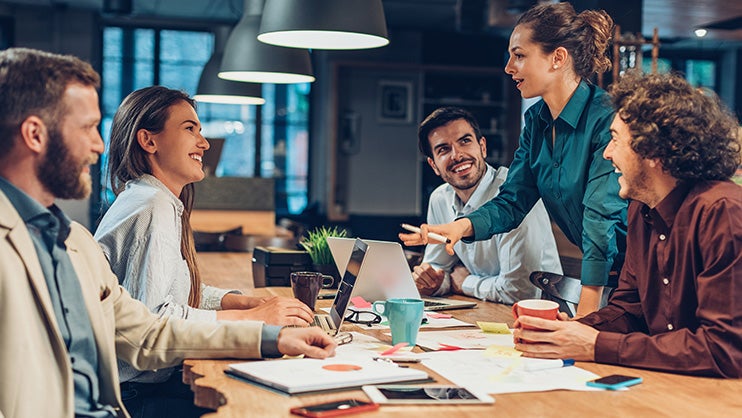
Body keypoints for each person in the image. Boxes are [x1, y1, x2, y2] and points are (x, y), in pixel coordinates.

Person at [0, 47, 336, 418]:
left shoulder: (72, 240)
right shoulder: (145, 206)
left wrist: (271, 337)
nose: (99, 145)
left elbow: (146, 333)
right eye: (87, 128)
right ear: (34, 134)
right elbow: (156, 317)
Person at [93, 86, 315, 415]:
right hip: (135, 396)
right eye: (189, 129)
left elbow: (174, 291)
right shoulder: (152, 205)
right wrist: (252, 319)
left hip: (140, 384)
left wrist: (242, 302)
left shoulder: (148, 197)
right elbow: (155, 319)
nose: (204, 143)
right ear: (149, 140)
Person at [400, 2, 627, 316]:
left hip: (642, 271)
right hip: (611, 279)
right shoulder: (536, 121)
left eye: (519, 56)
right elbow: (513, 200)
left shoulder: (606, 117)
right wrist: (461, 227)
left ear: (558, 58)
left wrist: (587, 316)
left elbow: (600, 218)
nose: (509, 67)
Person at [512, 71, 741, 378]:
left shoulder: (722, 212)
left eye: (616, 140)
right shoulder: (641, 209)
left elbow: (724, 351)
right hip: (676, 386)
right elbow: (629, 310)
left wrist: (595, 345)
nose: (607, 153)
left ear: (653, 152)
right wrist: (570, 330)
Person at [412, 107, 562, 304]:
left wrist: (466, 282)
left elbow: (519, 292)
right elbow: (439, 270)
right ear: (434, 165)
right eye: (443, 149)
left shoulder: (515, 194)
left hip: (541, 314)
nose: (457, 155)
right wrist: (432, 282)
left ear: (482, 147)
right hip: (485, 310)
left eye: (465, 141)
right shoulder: (440, 199)